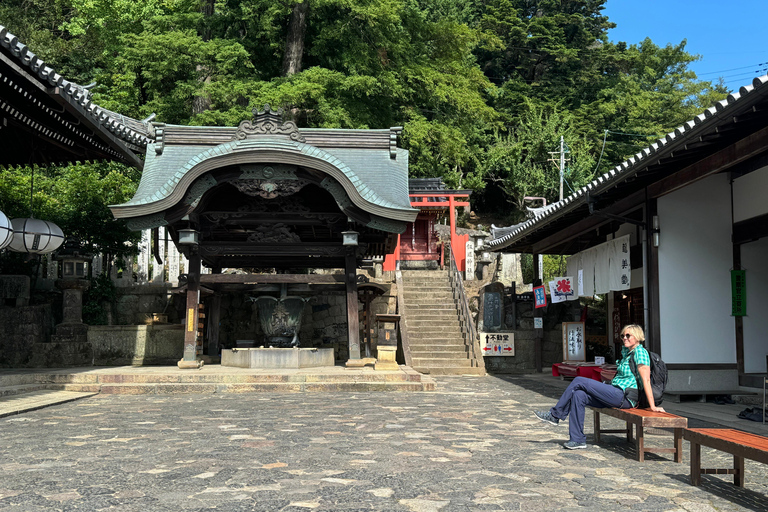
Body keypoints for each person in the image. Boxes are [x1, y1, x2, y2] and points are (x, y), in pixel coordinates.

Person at [533, 324, 664, 449]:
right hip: (615, 392)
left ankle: (555, 415)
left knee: (579, 380)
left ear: (637, 336)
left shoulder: (640, 353)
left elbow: (646, 380)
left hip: (624, 396)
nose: (624, 338)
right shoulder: (627, 354)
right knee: (579, 395)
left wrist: (652, 406)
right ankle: (577, 440)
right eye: (623, 335)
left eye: (628, 335)